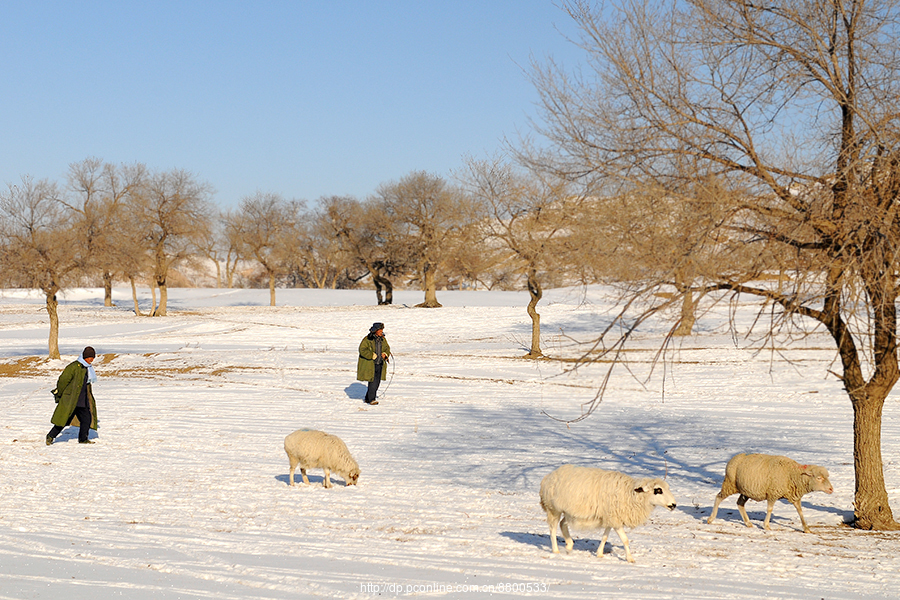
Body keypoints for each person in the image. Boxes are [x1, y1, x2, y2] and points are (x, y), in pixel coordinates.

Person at [46, 346, 99, 445]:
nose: (91, 359)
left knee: (86, 419)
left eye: (93, 357)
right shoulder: (74, 367)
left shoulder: (88, 368)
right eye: (90, 357)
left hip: (82, 400)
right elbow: (63, 381)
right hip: (71, 399)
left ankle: (83, 439)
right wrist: (61, 394)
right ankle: (50, 436)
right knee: (63, 420)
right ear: (85, 357)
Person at [357, 322, 391, 405]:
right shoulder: (367, 339)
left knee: (377, 381)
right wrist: (371, 355)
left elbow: (387, 348)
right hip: (370, 365)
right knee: (373, 382)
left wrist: (385, 354)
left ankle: (367, 398)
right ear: (375, 330)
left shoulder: (383, 339)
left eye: (382, 330)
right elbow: (362, 350)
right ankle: (372, 399)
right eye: (380, 330)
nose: (381, 331)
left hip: (380, 363)